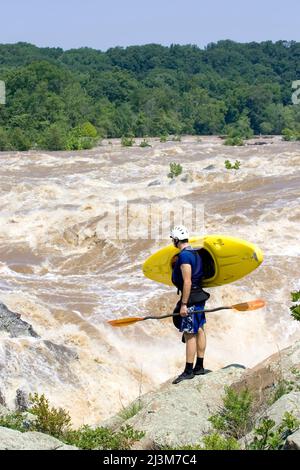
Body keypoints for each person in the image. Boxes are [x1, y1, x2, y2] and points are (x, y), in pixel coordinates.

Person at [170, 225, 210, 384]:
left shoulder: (185, 256)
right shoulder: (195, 253)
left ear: (175, 240)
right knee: (199, 329)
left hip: (191, 298)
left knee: (190, 333)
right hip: (199, 295)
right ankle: (199, 366)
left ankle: (188, 370)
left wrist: (184, 304)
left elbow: (187, 281)